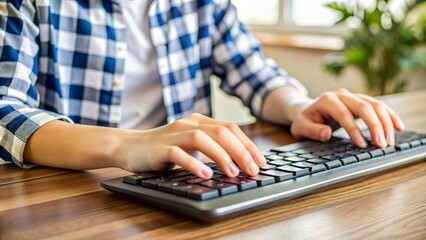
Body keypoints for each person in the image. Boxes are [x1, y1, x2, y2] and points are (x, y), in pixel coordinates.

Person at [0, 0, 404, 180]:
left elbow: (255, 74)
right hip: (70, 192)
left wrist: (300, 105)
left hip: (181, 185)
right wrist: (129, 145)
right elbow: (5, 110)